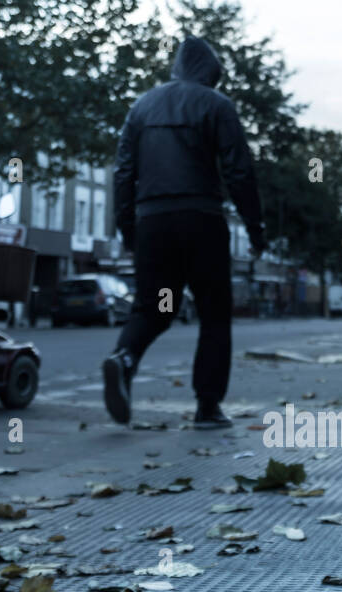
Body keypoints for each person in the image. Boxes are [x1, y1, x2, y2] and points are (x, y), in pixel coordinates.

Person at [105, 36, 266, 429]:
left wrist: (128, 229)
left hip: (154, 224)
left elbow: (123, 172)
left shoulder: (141, 108)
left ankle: (124, 359)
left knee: (155, 307)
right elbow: (239, 170)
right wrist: (255, 228)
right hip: (201, 221)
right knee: (213, 312)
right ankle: (207, 407)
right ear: (210, 73)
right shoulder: (216, 104)